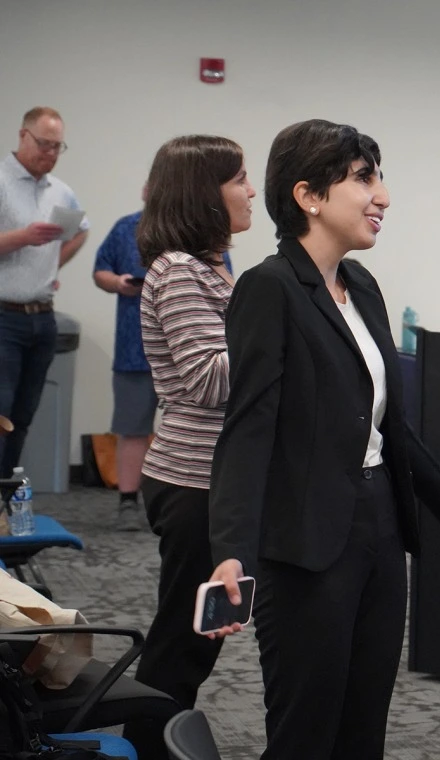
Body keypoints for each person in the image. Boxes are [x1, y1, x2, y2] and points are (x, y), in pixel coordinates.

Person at [205, 119, 440, 760]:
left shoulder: (362, 286)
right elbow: (248, 430)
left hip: (378, 530)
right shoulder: (269, 289)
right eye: (364, 178)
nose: (384, 196)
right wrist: (233, 548)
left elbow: (387, 427)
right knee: (305, 732)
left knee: (363, 729)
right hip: (307, 544)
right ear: (308, 196)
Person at [121, 135, 255, 760]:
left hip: (210, 478)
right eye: (239, 180)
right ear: (205, 194)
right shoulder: (177, 269)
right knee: (183, 639)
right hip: (192, 479)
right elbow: (207, 378)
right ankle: (149, 745)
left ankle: (153, 738)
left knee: (195, 636)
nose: (252, 191)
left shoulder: (206, 268)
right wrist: (285, 342)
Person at [92, 190, 235, 532]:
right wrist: (118, 283)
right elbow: (101, 270)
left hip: (195, 346)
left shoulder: (207, 247)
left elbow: (222, 293)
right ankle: (128, 502)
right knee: (133, 426)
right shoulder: (127, 229)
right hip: (134, 348)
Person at [0, 107, 88, 478]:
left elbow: (81, 229)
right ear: (23, 136)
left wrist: (53, 268)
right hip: (3, 317)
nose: (50, 154)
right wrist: (22, 238)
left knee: (22, 415)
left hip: (43, 318)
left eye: (57, 147)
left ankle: (3, 498)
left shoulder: (61, 191)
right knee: (0, 413)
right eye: (43, 144)